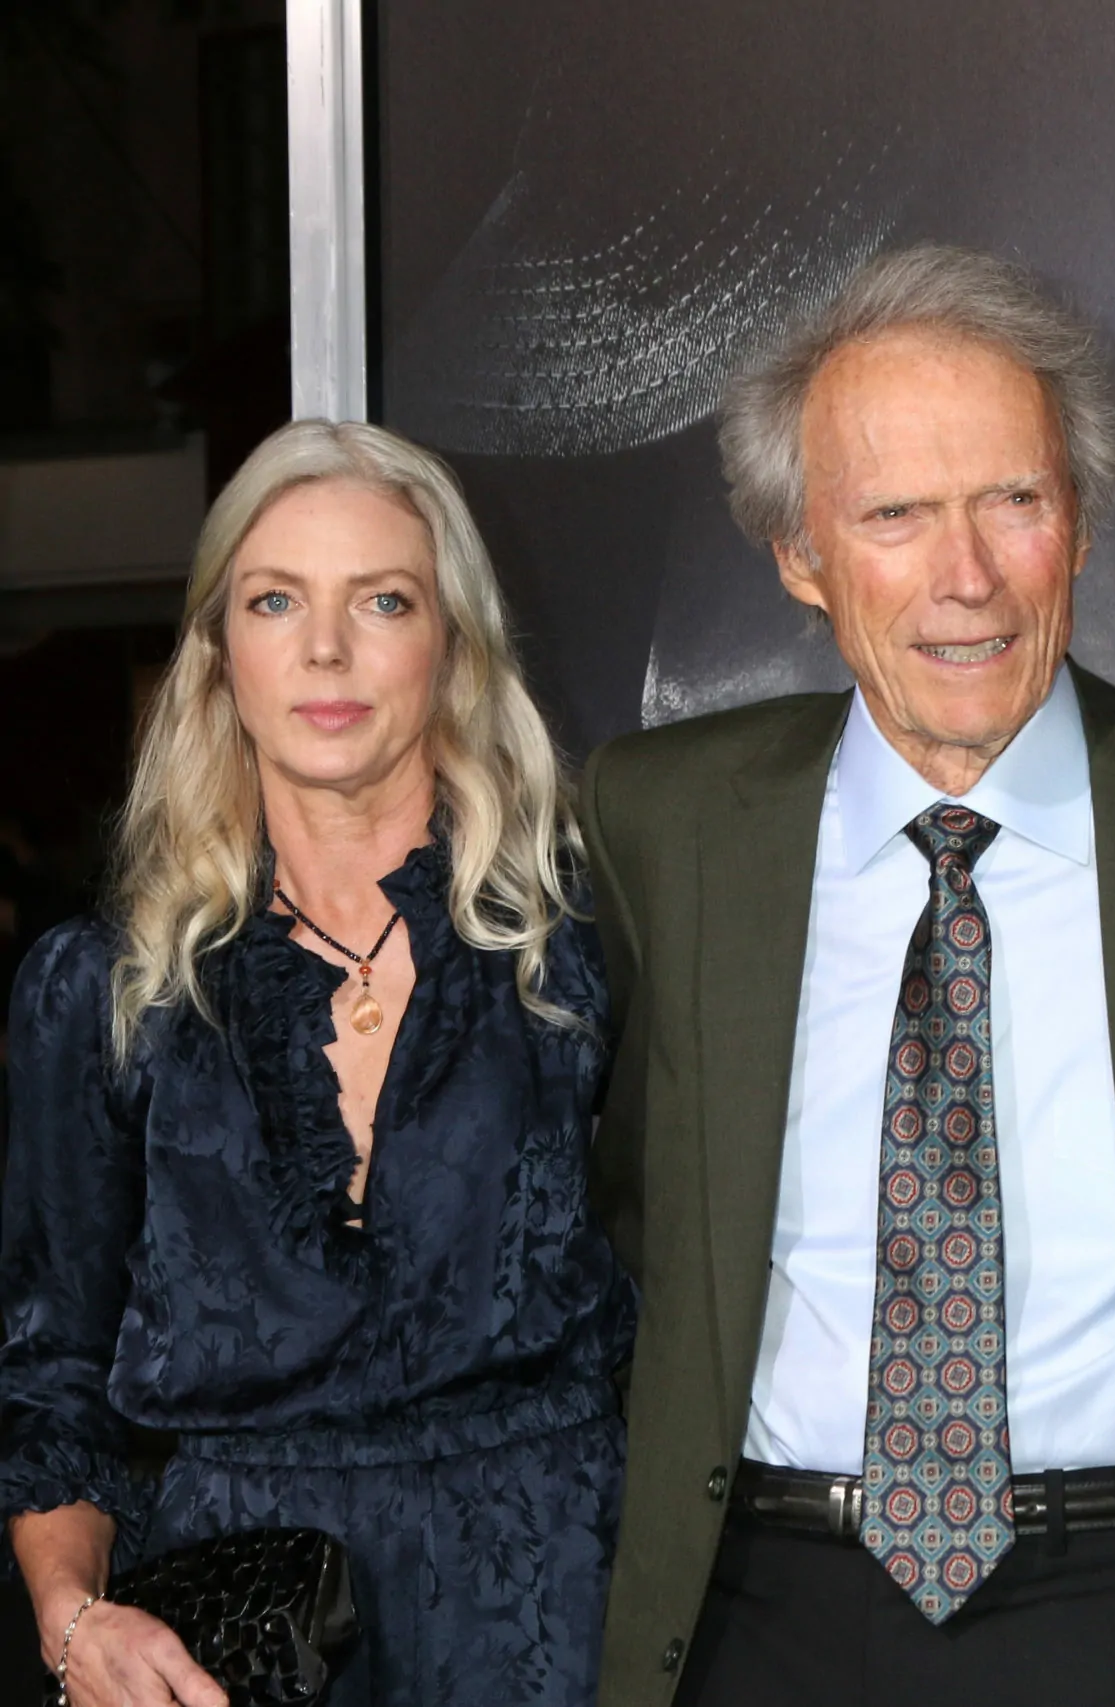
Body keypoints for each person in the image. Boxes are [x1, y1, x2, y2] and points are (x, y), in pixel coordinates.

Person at [583, 243, 1115, 1707]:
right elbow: (613, 1200)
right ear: (800, 555)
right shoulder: (657, 823)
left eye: (1014, 499)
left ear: (1081, 523)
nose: (967, 575)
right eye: (894, 514)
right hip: (758, 1610)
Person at [0, 420, 637, 1707]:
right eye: (276, 601)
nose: (326, 649)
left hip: (556, 1613)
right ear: (217, 653)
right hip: (236, 1640)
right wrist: (73, 1621)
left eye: (382, 600)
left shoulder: (584, 943)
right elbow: (51, 1367)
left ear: (452, 644)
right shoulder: (107, 987)